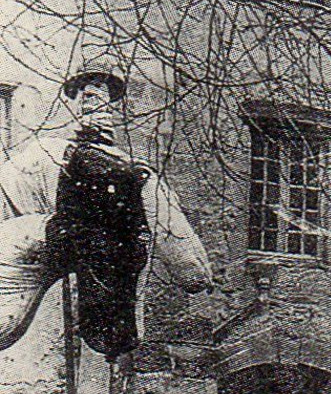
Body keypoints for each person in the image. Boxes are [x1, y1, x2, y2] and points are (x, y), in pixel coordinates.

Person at [0, 57, 212, 352]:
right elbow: (189, 266)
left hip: (45, 238)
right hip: (50, 238)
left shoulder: (41, 154)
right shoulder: (134, 173)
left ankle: (109, 327)